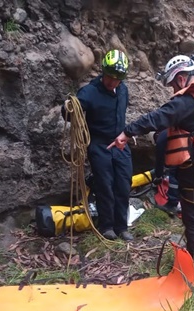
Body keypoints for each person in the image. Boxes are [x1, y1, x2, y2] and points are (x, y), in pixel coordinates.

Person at [108, 55, 194, 273]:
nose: (172, 89)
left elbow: (157, 118)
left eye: (171, 84)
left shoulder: (187, 101)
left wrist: (126, 133)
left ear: (181, 78)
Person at [62, 49, 134, 241]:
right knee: (105, 185)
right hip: (99, 145)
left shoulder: (123, 90)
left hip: (120, 143)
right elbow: (70, 113)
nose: (113, 82)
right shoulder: (89, 92)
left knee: (123, 184)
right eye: (110, 77)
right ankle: (107, 226)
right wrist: (67, 108)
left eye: (117, 79)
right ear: (103, 72)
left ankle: (122, 226)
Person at [153, 129, 180, 215]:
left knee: (174, 178)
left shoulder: (162, 136)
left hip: (178, 158)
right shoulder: (174, 129)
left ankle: (172, 204)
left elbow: (159, 160)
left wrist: (158, 176)